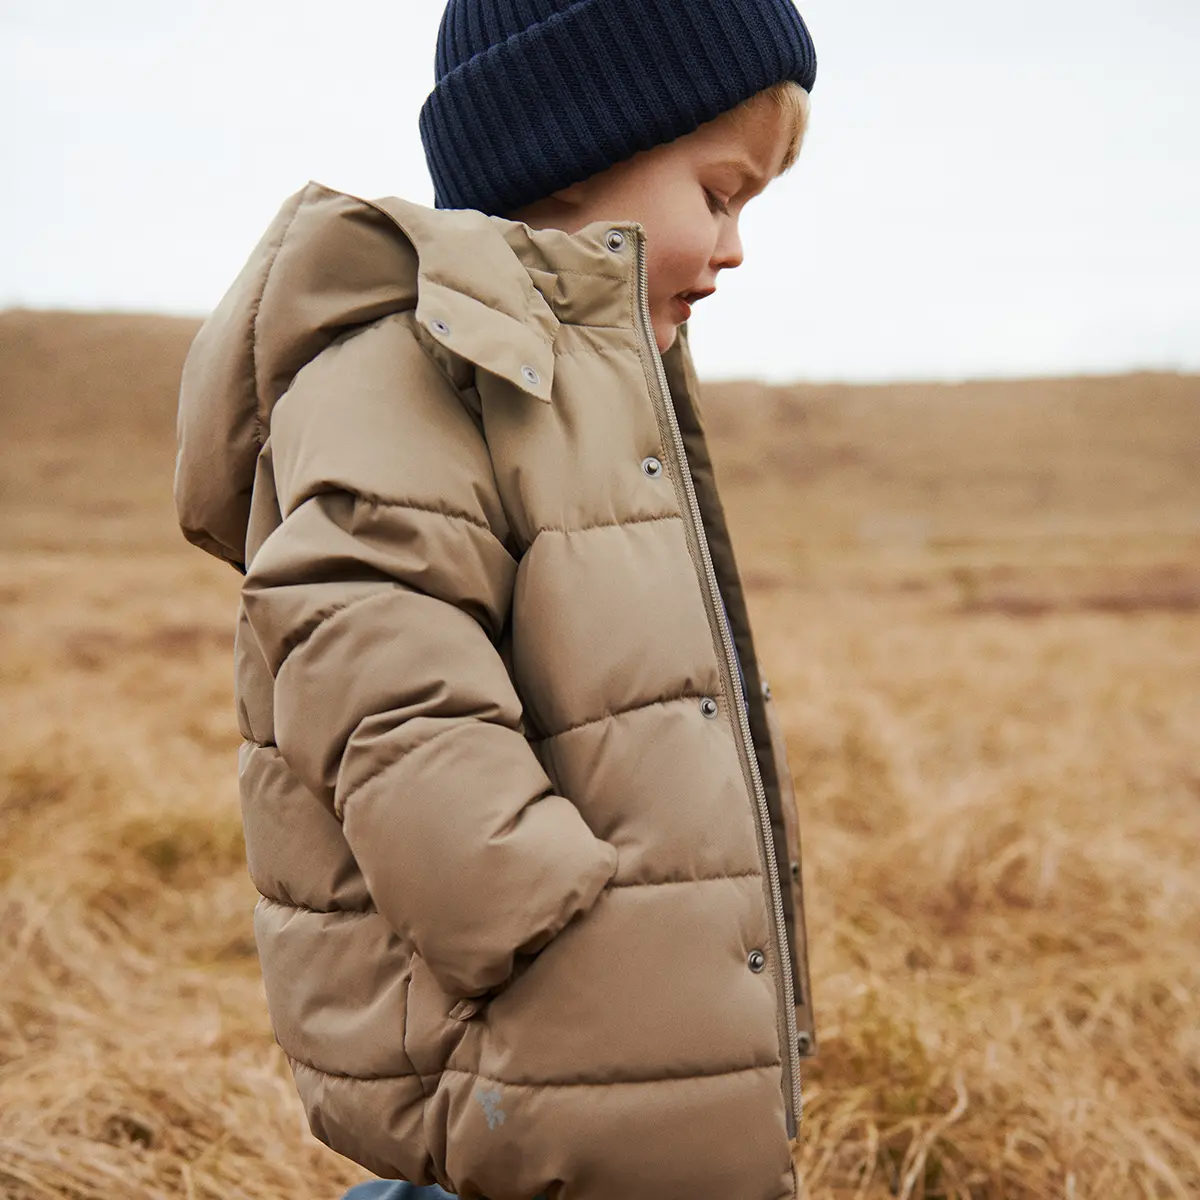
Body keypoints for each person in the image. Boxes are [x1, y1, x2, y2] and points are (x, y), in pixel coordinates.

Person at [174, 1, 819, 1197]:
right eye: (720, 195)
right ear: (577, 148)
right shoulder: (413, 369)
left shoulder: (582, 386)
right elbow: (370, 656)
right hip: (546, 1001)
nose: (734, 249)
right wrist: (538, 921)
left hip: (612, 1010)